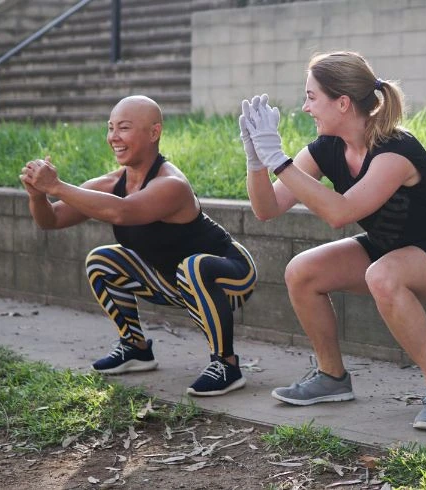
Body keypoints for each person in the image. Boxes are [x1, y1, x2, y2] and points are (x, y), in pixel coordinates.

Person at [241, 51, 426, 430]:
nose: (305, 107)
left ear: (342, 103)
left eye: (311, 97)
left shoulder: (396, 150)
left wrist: (279, 160)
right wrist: (257, 161)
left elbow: (341, 213)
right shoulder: (326, 148)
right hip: (390, 247)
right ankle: (331, 377)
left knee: (382, 275)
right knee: (302, 271)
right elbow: (266, 208)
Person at [20, 95, 257, 397]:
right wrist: (38, 195)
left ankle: (226, 365)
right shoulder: (112, 182)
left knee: (194, 266)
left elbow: (123, 212)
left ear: (154, 132)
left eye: (124, 128)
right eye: (110, 128)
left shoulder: (172, 184)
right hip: (173, 281)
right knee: (101, 261)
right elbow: (51, 220)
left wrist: (56, 186)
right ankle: (135, 348)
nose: (113, 137)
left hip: (230, 276)